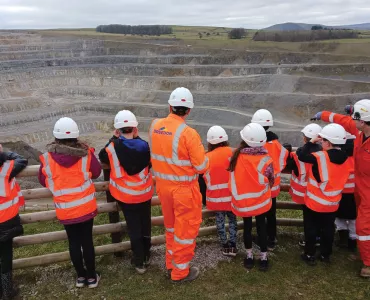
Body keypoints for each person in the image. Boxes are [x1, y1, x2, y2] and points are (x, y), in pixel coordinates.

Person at [149, 87, 209, 283]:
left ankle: (170, 263)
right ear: (189, 110)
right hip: (183, 191)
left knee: (172, 228)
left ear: (170, 106)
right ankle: (180, 272)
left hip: (164, 189)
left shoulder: (155, 126)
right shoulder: (188, 134)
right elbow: (201, 166)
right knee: (185, 231)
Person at [38, 117, 102, 288]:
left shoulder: (47, 158)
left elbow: (43, 180)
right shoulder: (86, 154)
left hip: (65, 210)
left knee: (73, 242)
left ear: (55, 137)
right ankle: (92, 276)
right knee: (87, 241)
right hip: (85, 207)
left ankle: (80, 277)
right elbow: (96, 172)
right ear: (76, 135)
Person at [312, 99, 370, 276]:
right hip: (361, 189)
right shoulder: (361, 133)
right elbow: (343, 121)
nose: (351, 121)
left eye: (354, 118)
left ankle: (368, 263)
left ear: (362, 121)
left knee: (363, 227)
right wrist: (323, 115)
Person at [99, 110, 153, 274]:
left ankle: (139, 262)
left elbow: (101, 155)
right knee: (145, 225)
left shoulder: (111, 149)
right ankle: (146, 255)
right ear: (135, 129)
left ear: (117, 130)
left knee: (134, 228)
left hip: (125, 197)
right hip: (144, 193)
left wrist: (114, 139)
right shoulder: (144, 146)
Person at [298, 124, 350, 266]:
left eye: (323, 140)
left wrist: (311, 141)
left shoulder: (319, 157)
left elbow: (301, 155)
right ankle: (325, 255)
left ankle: (309, 254)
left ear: (328, 142)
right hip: (333, 203)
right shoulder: (346, 158)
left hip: (315, 202)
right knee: (328, 229)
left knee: (311, 229)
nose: (321, 143)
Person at [228, 123, 275, 272]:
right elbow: (271, 180)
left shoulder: (235, 156)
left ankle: (248, 256)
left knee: (247, 228)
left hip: (243, 202)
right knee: (261, 228)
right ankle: (263, 257)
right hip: (260, 201)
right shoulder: (266, 159)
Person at [251, 109, 288, 250]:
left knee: (261, 214)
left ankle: (263, 240)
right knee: (272, 214)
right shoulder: (277, 144)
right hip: (274, 187)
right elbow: (283, 161)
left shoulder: (257, 145)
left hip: (261, 187)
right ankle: (272, 238)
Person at [199, 126, 237, 256]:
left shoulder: (206, 158)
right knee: (232, 220)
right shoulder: (234, 153)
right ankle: (233, 245)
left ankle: (224, 245)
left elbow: (202, 179)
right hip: (232, 196)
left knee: (220, 222)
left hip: (216, 198)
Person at [285, 123, 322, 247]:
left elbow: (288, 165)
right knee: (318, 217)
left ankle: (309, 241)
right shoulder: (324, 155)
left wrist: (286, 152)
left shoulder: (298, 155)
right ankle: (318, 238)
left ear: (305, 138)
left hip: (303, 193)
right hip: (318, 192)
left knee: (309, 219)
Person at [0, 145, 27, 300]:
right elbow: (21, 160)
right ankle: (7, 290)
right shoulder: (6, 169)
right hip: (5, 220)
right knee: (5, 255)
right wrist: (4, 153)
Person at [335, 133, 357, 251]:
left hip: (341, 193)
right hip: (355, 194)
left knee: (339, 218)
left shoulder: (340, 160)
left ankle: (342, 240)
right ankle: (353, 242)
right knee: (354, 219)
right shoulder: (358, 160)